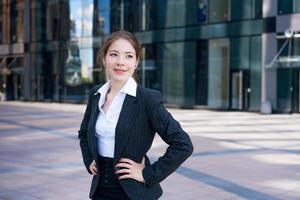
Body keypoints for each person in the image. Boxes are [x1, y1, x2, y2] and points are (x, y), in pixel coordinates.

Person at [78, 30, 193, 200]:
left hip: (132, 193)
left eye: (129, 56)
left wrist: (149, 174)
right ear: (104, 59)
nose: (121, 62)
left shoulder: (147, 99)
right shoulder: (96, 94)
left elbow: (183, 145)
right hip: (100, 191)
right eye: (114, 54)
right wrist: (89, 160)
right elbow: (83, 133)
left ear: (136, 62)